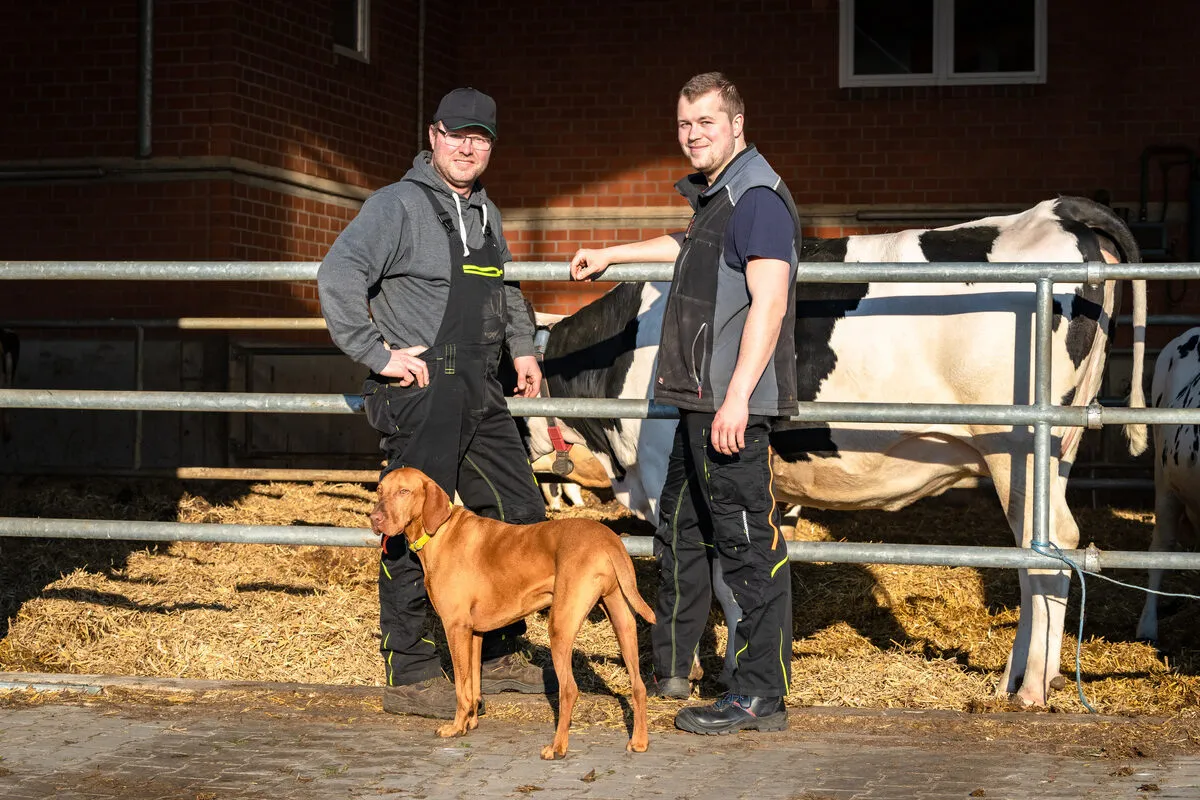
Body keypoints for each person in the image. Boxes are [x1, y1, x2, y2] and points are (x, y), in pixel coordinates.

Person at [570, 72, 798, 735]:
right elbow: (685, 245)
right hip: (697, 401)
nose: (693, 135)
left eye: (706, 122)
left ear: (737, 124)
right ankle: (698, 671)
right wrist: (612, 254)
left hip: (728, 407)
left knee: (748, 547)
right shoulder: (719, 197)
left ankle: (758, 695)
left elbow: (770, 301)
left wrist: (737, 399)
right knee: (682, 527)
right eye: (684, 124)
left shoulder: (757, 199)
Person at [318, 87, 549, 719]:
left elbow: (507, 290)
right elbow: (338, 274)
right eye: (457, 135)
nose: (468, 147)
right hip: (422, 390)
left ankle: (495, 650)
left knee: (518, 514)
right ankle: (411, 671)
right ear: (434, 136)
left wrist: (523, 349)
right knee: (409, 526)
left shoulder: (487, 213)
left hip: (482, 387)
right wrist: (377, 353)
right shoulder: (396, 206)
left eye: (481, 138)